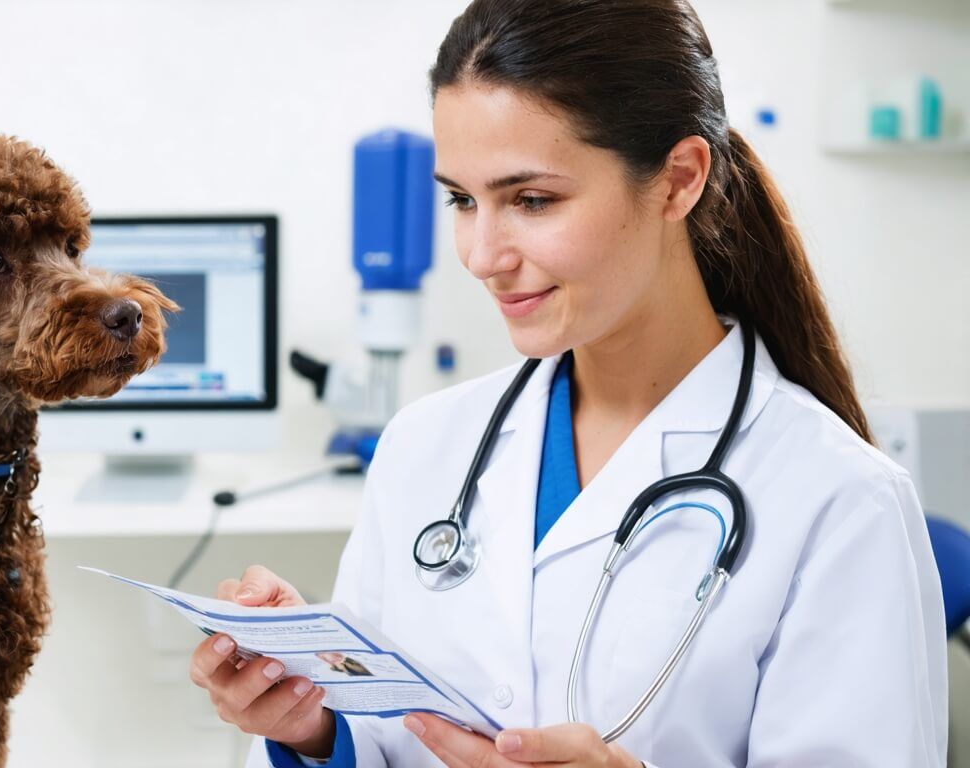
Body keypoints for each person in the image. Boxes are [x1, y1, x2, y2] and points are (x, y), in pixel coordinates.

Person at [187, 1, 947, 765]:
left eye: (532, 200)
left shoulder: (841, 499)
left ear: (679, 180)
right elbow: (385, 732)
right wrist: (312, 728)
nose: (482, 255)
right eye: (462, 200)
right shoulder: (425, 445)